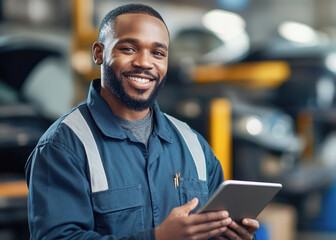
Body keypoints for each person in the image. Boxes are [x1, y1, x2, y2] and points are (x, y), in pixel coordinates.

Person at [25, 3, 259, 240]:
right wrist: (158, 238)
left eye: (158, 53)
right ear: (99, 53)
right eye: (128, 48)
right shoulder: (63, 147)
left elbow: (210, 226)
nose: (145, 63)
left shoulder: (193, 145)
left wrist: (229, 235)